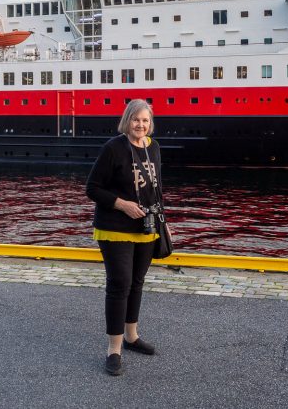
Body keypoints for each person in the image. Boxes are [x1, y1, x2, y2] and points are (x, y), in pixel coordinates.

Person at [86, 98, 164, 376]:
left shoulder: (152, 147)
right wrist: (122, 204)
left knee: (137, 283)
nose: (140, 125)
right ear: (126, 120)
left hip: (146, 228)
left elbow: (156, 189)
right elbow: (92, 188)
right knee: (120, 283)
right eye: (135, 119)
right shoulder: (113, 148)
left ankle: (131, 336)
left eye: (145, 120)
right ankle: (114, 349)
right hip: (114, 227)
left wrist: (164, 222)